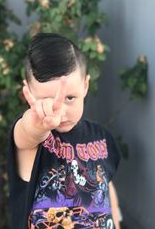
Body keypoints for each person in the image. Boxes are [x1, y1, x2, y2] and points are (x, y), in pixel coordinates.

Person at [7, 33, 121, 229]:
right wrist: (39, 124)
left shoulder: (101, 137)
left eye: (70, 98)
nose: (60, 111)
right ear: (29, 93)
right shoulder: (33, 141)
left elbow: (105, 188)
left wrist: (116, 219)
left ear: (85, 85)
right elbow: (26, 134)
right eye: (48, 101)